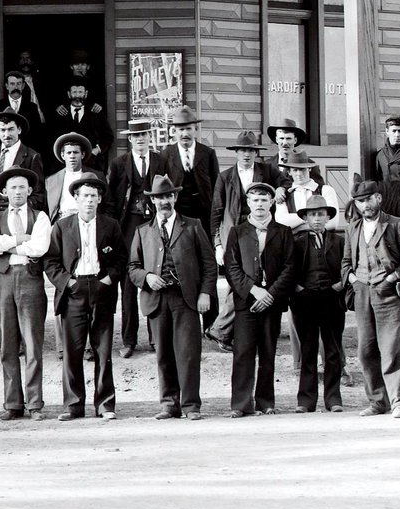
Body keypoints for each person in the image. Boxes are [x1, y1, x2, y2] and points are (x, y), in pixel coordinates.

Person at [129, 173, 215, 420]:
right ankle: (169, 404)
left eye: (168, 196)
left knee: (188, 353)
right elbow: (132, 266)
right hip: (157, 299)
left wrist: (205, 293)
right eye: (158, 198)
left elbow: (209, 265)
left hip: (185, 298)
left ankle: (191, 405)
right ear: (153, 201)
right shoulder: (143, 231)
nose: (164, 201)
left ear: (175, 197)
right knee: (164, 353)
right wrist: (146, 277)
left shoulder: (193, 226)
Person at [344, 179, 400, 418]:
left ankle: (399, 402)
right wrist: (353, 280)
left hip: (388, 295)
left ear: (378, 198)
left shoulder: (396, 224)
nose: (364, 205)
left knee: (391, 350)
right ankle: (378, 402)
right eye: (359, 201)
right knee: (366, 351)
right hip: (362, 294)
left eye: (368, 199)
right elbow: (346, 262)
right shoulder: (353, 228)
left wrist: (391, 279)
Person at [0, 166, 53, 419]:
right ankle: (12, 404)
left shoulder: (40, 217)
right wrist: (20, 240)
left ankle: (34, 404)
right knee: (7, 344)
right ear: (4, 192)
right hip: (2, 282)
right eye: (13, 187)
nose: (18, 192)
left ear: (30, 190)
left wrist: (7, 244)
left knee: (32, 344)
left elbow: (40, 247)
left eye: (22, 187)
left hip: (30, 281)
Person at [49, 172, 123, 420]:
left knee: (103, 350)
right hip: (74, 291)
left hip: (101, 288)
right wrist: (67, 282)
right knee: (72, 350)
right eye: (84, 196)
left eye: (94, 196)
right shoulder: (62, 227)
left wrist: (109, 278)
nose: (89, 201)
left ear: (100, 199)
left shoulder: (110, 225)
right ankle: (73, 404)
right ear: (76, 199)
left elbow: (121, 258)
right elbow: (51, 262)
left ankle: (105, 405)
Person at [225, 180, 296, 416]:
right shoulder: (237, 232)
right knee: (243, 351)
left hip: (272, 302)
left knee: (268, 351)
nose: (259, 204)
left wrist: (271, 294)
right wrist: (253, 290)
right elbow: (232, 267)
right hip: (247, 302)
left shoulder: (283, 232)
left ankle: (266, 402)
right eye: (255, 200)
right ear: (248, 203)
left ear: (271, 203)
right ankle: (240, 404)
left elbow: (289, 267)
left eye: (264, 200)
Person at [209, 130, 281, 344]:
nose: (247, 155)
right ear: (236, 152)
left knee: (255, 277)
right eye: (243, 150)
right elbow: (216, 212)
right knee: (235, 280)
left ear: (255, 153)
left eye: (250, 150)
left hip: (258, 231)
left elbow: (285, 182)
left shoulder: (266, 171)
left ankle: (230, 330)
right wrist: (218, 243)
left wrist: (280, 191)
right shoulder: (225, 176)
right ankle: (224, 332)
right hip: (233, 234)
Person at [289, 194, 347, 412]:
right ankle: (306, 400)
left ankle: (333, 399)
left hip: (332, 301)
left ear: (327, 217)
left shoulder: (339, 241)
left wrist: (340, 285)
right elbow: (288, 269)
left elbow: (348, 265)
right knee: (308, 349)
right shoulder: (296, 242)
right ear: (305, 218)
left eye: (321, 214)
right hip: (305, 301)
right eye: (312, 214)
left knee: (332, 351)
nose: (317, 219)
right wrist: (298, 288)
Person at [111, 121, 158, 357]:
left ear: (150, 136)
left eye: (144, 134)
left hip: (153, 226)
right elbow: (110, 199)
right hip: (128, 226)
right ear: (130, 139)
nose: (140, 139)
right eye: (136, 135)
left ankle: (155, 338)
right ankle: (129, 340)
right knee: (129, 283)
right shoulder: (119, 164)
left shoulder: (160, 161)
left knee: (154, 277)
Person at [161, 105, 220, 258]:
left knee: (203, 251)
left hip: (202, 211)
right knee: (179, 251)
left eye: (188, 129)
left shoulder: (207, 153)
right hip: (178, 210)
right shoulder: (166, 155)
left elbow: (216, 185)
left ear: (195, 129)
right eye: (181, 130)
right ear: (174, 131)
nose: (185, 133)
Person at [267, 120, 340, 226]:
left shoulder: (310, 165)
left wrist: (309, 218)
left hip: (304, 219)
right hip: (275, 217)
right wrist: (277, 190)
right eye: (282, 138)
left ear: (295, 140)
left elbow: (318, 193)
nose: (285, 143)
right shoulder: (268, 165)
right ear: (276, 139)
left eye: (288, 138)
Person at [0, 71, 48, 168]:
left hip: (24, 154)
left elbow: (36, 132)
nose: (16, 87)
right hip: (3, 150)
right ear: (7, 86)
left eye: (19, 84)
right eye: (12, 84)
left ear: (23, 86)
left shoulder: (31, 107)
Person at [49, 80, 111, 170]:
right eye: (74, 92)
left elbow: (108, 137)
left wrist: (96, 150)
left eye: (80, 92)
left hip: (92, 162)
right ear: (69, 94)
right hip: (65, 163)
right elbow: (52, 137)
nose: (77, 95)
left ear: (86, 94)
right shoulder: (61, 113)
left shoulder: (95, 112)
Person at [43, 133, 94, 218]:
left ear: (83, 154)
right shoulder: (51, 180)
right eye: (69, 153)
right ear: (63, 155)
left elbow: (108, 206)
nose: (72, 156)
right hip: (61, 221)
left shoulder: (95, 176)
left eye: (76, 152)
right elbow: (45, 208)